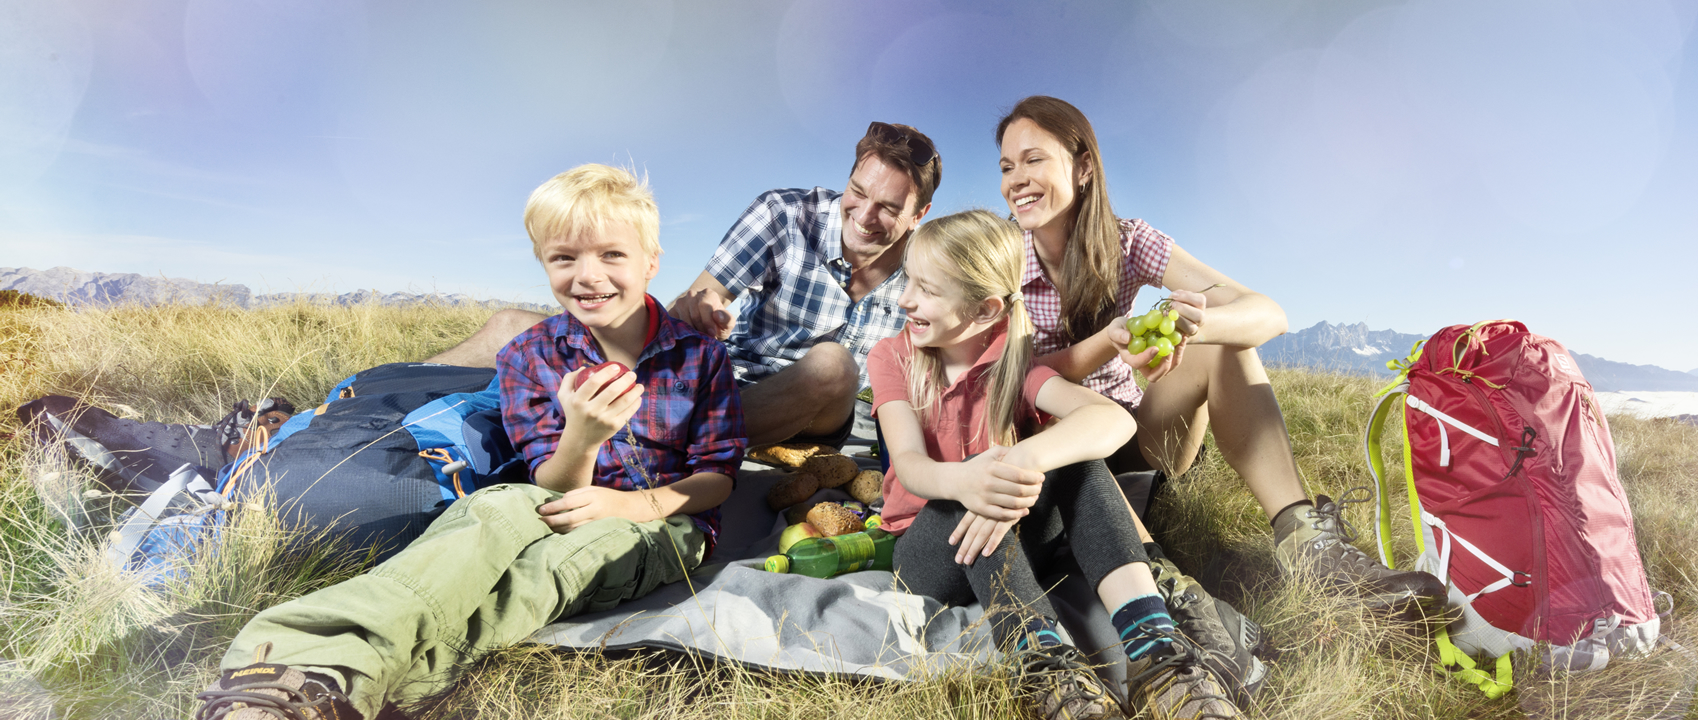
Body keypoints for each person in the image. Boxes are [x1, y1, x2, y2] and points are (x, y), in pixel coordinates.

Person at [196, 164, 746, 720]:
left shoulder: (700, 358)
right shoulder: (529, 355)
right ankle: (296, 665)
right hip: (557, 498)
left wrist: (628, 504)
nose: (587, 276)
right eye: (564, 258)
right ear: (543, 264)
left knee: (551, 572)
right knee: (481, 523)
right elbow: (548, 482)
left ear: (651, 262)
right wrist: (582, 438)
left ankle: (342, 685)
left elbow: (716, 478)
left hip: (666, 522)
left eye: (611, 255)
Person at [993, 97, 1446, 614]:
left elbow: (1268, 314)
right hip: (1050, 454)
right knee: (1049, 425)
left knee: (1223, 348)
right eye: (1007, 167)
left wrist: (1196, 324)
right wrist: (1106, 346)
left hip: (1132, 443)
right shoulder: (998, 256)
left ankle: (1313, 553)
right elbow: (1006, 377)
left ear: (1083, 167)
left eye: (1034, 160)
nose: (1016, 180)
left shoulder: (1128, 240)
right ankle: (1163, 587)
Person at [870, 209, 1242, 720]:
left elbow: (1113, 422)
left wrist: (1022, 457)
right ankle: (1047, 670)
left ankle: (1156, 651)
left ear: (983, 311)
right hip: (929, 553)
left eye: (926, 289)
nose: (904, 298)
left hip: (1017, 535)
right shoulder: (893, 357)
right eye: (908, 280)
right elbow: (910, 465)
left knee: (1074, 455)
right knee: (976, 486)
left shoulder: (1013, 364)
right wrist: (970, 480)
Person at [427, 122, 938, 451]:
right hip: (718, 384)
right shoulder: (784, 213)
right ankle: (371, 390)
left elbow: (933, 373)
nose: (865, 216)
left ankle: (652, 438)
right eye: (858, 193)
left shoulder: (928, 265)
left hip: (808, 412)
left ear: (920, 215)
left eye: (890, 208)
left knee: (834, 366)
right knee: (511, 326)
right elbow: (694, 301)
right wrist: (706, 310)